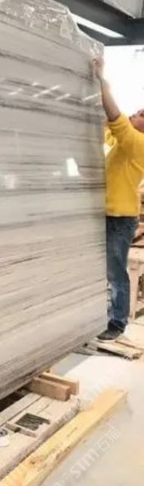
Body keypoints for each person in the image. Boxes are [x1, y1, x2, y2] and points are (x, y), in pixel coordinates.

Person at [93, 57, 144, 340]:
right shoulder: (124, 143)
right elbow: (108, 127)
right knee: (105, 270)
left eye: (141, 114)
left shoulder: (140, 145)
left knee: (115, 272)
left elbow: (116, 119)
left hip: (120, 218)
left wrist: (102, 81)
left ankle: (117, 322)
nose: (135, 113)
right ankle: (104, 314)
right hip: (105, 213)